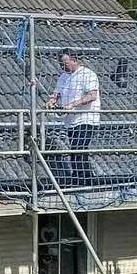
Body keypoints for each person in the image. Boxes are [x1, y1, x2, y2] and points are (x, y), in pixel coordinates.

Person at [44, 50, 101, 186]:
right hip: (71, 121)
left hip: (86, 118)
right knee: (76, 149)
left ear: (74, 60)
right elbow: (56, 94)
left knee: (78, 148)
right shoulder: (63, 76)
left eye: (65, 64)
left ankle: (82, 180)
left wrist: (73, 104)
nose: (62, 67)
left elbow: (92, 95)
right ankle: (83, 179)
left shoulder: (87, 74)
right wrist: (51, 101)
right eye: (60, 65)